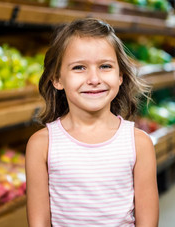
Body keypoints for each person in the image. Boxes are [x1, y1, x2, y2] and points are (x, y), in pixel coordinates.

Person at [25, 18, 159, 226]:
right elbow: (38, 222)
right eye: (79, 68)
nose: (94, 79)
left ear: (120, 76)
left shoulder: (138, 143)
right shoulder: (42, 145)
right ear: (57, 79)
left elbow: (148, 222)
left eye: (105, 66)